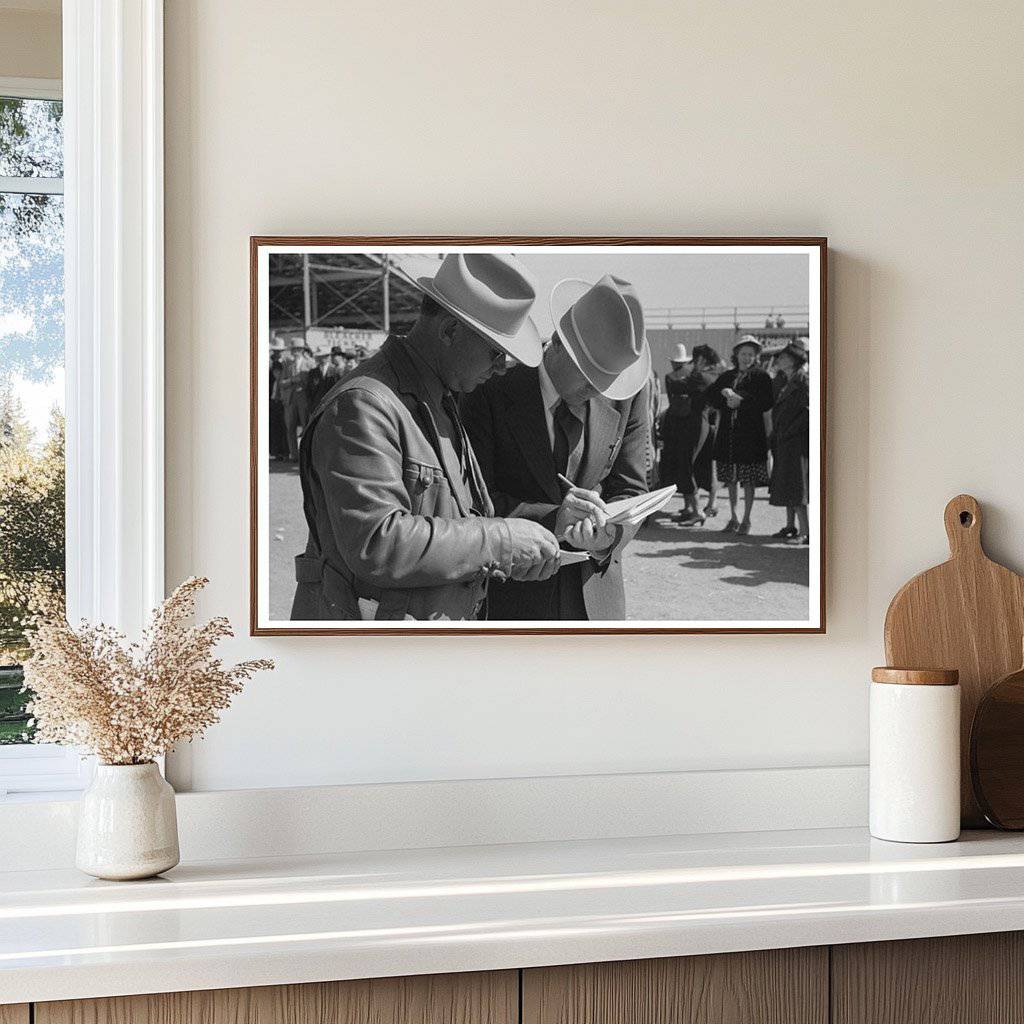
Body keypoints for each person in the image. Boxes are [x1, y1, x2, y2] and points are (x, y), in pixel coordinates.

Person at [291, 253, 561, 622]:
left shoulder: (437, 397)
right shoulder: (364, 405)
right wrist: (500, 540)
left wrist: (523, 544)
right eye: (495, 352)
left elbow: (459, 520)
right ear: (449, 330)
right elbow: (378, 542)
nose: (500, 368)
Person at [462, 274, 651, 621]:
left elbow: (632, 488)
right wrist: (552, 520)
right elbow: (471, 499)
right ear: (559, 343)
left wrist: (608, 538)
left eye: (608, 380)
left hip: (596, 604)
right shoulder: (489, 392)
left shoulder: (629, 396)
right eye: (588, 375)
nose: (598, 390)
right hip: (512, 603)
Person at [708, 335, 773, 534]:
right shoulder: (727, 377)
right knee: (731, 479)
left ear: (756, 357)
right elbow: (710, 397)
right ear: (736, 355)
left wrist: (741, 400)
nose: (746, 358)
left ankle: (747, 519)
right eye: (743, 354)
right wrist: (724, 395)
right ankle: (734, 517)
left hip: (750, 437)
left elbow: (766, 402)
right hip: (729, 437)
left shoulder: (761, 377)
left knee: (749, 480)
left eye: (750, 354)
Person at [769, 337, 811, 545]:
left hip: (795, 441)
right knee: (788, 484)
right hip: (784, 439)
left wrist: (789, 432)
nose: (779, 359)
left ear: (793, 360)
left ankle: (805, 531)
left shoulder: (802, 380)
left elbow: (807, 413)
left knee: (797, 487)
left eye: (784, 357)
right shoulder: (784, 380)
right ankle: (790, 525)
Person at [277, 341, 315, 461]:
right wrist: (292, 380)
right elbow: (281, 383)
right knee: (290, 427)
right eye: (294, 349)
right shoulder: (288, 364)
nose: (296, 352)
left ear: (302, 350)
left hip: (304, 399)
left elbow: (313, 381)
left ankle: (307, 455)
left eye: (298, 349)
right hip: (290, 400)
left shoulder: (310, 363)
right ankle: (294, 455)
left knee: (306, 427)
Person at [268, 342, 289, 460]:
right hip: (272, 398)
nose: (277, 353)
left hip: (281, 398)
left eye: (279, 350)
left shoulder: (286, 363)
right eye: (275, 350)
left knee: (283, 426)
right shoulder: (270, 364)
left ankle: (285, 452)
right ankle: (276, 452)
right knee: (274, 426)